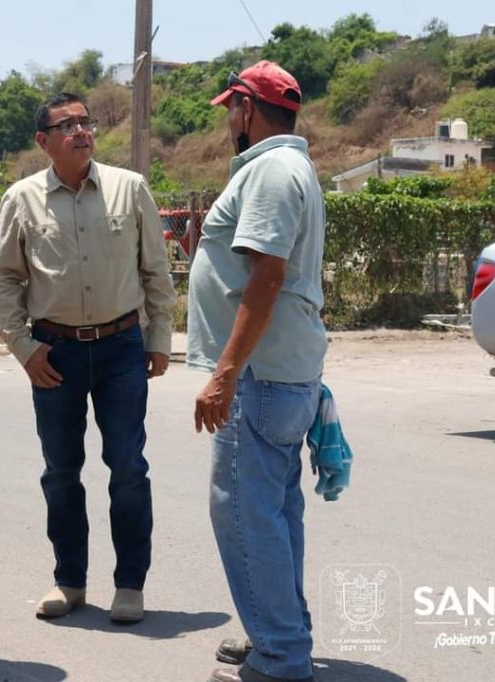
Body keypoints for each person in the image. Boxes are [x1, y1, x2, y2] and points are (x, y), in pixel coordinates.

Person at [0, 92, 176, 624]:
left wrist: (158, 338)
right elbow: (4, 281)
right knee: (61, 472)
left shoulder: (129, 188)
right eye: (65, 125)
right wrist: (24, 349)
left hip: (121, 349)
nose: (80, 131)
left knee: (129, 469)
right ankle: (69, 581)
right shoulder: (21, 199)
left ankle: (130, 585)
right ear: (43, 141)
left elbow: (155, 272)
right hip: (55, 354)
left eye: (85, 122)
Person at [187, 61, 328, 682]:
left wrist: (224, 372)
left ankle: (280, 655)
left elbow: (267, 278)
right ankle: (280, 633)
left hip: (259, 375)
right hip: (278, 370)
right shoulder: (287, 166)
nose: (228, 121)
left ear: (247, 108)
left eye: (230, 109)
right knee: (272, 510)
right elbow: (258, 269)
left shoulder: (271, 170)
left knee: (245, 511)